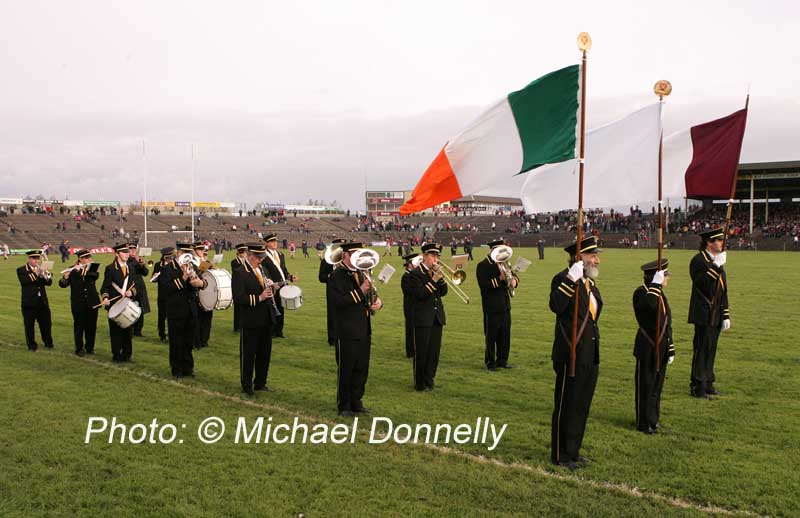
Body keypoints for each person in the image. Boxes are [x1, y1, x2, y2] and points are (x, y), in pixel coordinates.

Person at [549, 236, 603, 470]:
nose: (597, 260)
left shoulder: (590, 284)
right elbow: (556, 305)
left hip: (589, 352)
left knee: (581, 404)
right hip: (569, 352)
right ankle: (561, 454)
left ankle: (574, 450)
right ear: (579, 257)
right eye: (592, 255)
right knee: (566, 404)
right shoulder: (563, 279)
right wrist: (571, 278)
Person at [330, 242, 382, 416]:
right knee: (346, 369)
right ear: (345, 255)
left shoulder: (362, 272)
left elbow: (371, 295)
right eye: (354, 253)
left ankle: (356, 402)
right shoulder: (336, 275)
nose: (358, 257)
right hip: (346, 329)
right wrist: (361, 290)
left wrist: (378, 303)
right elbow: (338, 302)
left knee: (362, 368)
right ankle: (344, 405)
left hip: (363, 327)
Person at [633, 259, 675, 434]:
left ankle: (653, 419)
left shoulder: (659, 293)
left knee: (657, 385)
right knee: (646, 384)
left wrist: (670, 346)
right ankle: (643, 422)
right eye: (665, 275)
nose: (667, 279)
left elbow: (667, 321)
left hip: (662, 345)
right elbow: (648, 307)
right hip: (647, 345)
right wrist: (656, 287)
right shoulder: (641, 293)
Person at [688, 227, 730, 399]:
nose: (722, 243)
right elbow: (702, 283)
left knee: (711, 349)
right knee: (702, 349)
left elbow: (722, 290)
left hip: (716, 313)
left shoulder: (717, 260)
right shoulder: (699, 260)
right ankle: (697, 386)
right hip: (704, 312)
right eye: (718, 240)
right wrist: (716, 266)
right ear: (709, 242)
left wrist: (726, 314)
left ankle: (708, 383)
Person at [232, 243, 275, 396]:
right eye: (258, 257)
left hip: (266, 318)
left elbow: (268, 291)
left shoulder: (263, 269)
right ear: (250, 256)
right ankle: (247, 385)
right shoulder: (240, 272)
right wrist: (259, 297)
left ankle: (260, 383)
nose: (260, 260)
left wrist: (272, 287)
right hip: (250, 319)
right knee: (249, 354)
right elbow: (239, 298)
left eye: (262, 257)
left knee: (264, 354)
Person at [407, 243, 447, 391]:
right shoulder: (415, 274)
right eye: (432, 256)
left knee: (434, 353)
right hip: (423, 317)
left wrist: (440, 279)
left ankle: (430, 380)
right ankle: (419, 383)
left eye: (437, 256)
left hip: (437, 317)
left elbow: (443, 292)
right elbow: (421, 295)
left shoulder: (434, 272)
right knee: (422, 352)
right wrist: (434, 280)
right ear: (424, 256)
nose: (435, 259)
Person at [160, 243, 205, 378]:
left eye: (189, 252)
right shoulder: (167, 269)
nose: (188, 255)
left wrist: (199, 283)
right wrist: (183, 278)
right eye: (185, 252)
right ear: (178, 253)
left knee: (188, 342)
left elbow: (203, 281)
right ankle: (177, 370)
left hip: (190, 310)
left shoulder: (193, 266)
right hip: (176, 310)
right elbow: (166, 289)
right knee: (176, 342)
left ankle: (188, 369)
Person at [476, 240, 518, 371]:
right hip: (492, 306)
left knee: (505, 334)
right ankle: (490, 362)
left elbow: (514, 276)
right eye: (499, 251)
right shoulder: (483, 265)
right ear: (492, 250)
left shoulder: (504, 263)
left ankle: (502, 360)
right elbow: (484, 285)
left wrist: (515, 281)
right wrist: (500, 279)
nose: (501, 254)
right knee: (491, 336)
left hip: (505, 305)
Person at [58, 249, 100, 356]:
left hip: (92, 301)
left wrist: (80, 271)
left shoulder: (93, 267)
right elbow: (62, 285)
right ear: (80, 259)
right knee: (79, 326)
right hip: (78, 302)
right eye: (86, 258)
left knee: (91, 326)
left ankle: (90, 347)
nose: (89, 259)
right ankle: (79, 348)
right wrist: (65, 277)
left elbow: (94, 276)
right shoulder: (71, 269)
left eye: (89, 257)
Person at [100, 243, 137, 362]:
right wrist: (105, 298)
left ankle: (127, 354)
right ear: (117, 254)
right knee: (116, 332)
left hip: (127, 303)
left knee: (128, 330)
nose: (127, 254)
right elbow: (105, 287)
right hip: (115, 304)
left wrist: (132, 292)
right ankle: (116, 354)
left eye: (127, 252)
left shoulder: (131, 268)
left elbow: (135, 286)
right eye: (124, 252)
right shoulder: (110, 268)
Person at [17, 249, 54, 350]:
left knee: (46, 323)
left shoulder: (41, 269)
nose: (36, 261)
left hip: (42, 301)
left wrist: (46, 275)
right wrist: (37, 273)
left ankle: (48, 342)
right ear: (29, 258)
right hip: (29, 302)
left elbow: (49, 283)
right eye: (34, 258)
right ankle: (32, 345)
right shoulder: (21, 270)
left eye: (38, 258)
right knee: (29, 325)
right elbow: (25, 281)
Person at [263, 233, 296, 338]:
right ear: (267, 243)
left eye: (276, 241)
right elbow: (265, 272)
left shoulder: (281, 254)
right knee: (273, 308)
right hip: (272, 286)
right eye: (272, 242)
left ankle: (279, 331)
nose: (275, 243)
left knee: (281, 308)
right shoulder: (264, 256)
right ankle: (272, 331)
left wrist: (290, 276)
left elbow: (283, 270)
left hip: (282, 285)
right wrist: (272, 284)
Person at [318, 238, 347, 351]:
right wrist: (331, 276)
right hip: (332, 291)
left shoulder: (346, 260)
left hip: (346, 290)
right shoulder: (326, 260)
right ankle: (332, 338)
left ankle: (344, 336)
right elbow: (321, 277)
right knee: (332, 314)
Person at [192, 241, 213, 349]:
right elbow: (195, 274)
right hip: (197, 293)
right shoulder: (191, 262)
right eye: (199, 249)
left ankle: (205, 340)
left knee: (207, 317)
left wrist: (211, 266)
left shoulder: (206, 261)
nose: (202, 251)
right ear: (194, 250)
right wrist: (204, 265)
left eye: (202, 249)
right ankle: (197, 341)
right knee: (198, 318)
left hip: (207, 292)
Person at [152, 247, 175, 343]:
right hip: (162, 295)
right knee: (161, 317)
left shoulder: (175, 265)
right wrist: (155, 276)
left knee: (172, 317)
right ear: (165, 257)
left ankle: (172, 335)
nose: (171, 260)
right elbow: (153, 279)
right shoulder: (158, 265)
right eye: (169, 258)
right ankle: (162, 335)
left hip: (173, 295)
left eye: (172, 258)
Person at [127, 244, 150, 338]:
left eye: (134, 249)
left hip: (139, 288)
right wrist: (136, 262)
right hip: (130, 288)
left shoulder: (137, 260)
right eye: (130, 249)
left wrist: (142, 265)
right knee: (130, 309)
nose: (132, 251)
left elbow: (145, 273)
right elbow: (129, 268)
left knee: (140, 309)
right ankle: (130, 329)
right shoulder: (126, 260)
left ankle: (138, 330)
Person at [400, 253, 419, 360]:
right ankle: (411, 351)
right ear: (409, 264)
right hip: (410, 305)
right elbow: (409, 292)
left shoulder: (414, 275)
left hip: (416, 305)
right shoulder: (406, 277)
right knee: (410, 328)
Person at [230, 243, 249, 333]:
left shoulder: (246, 261)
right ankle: (237, 326)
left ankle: (243, 324)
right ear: (238, 252)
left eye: (244, 252)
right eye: (242, 252)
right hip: (237, 286)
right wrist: (245, 262)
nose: (243, 254)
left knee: (244, 307)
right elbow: (238, 271)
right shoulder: (234, 262)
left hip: (245, 286)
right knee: (237, 308)